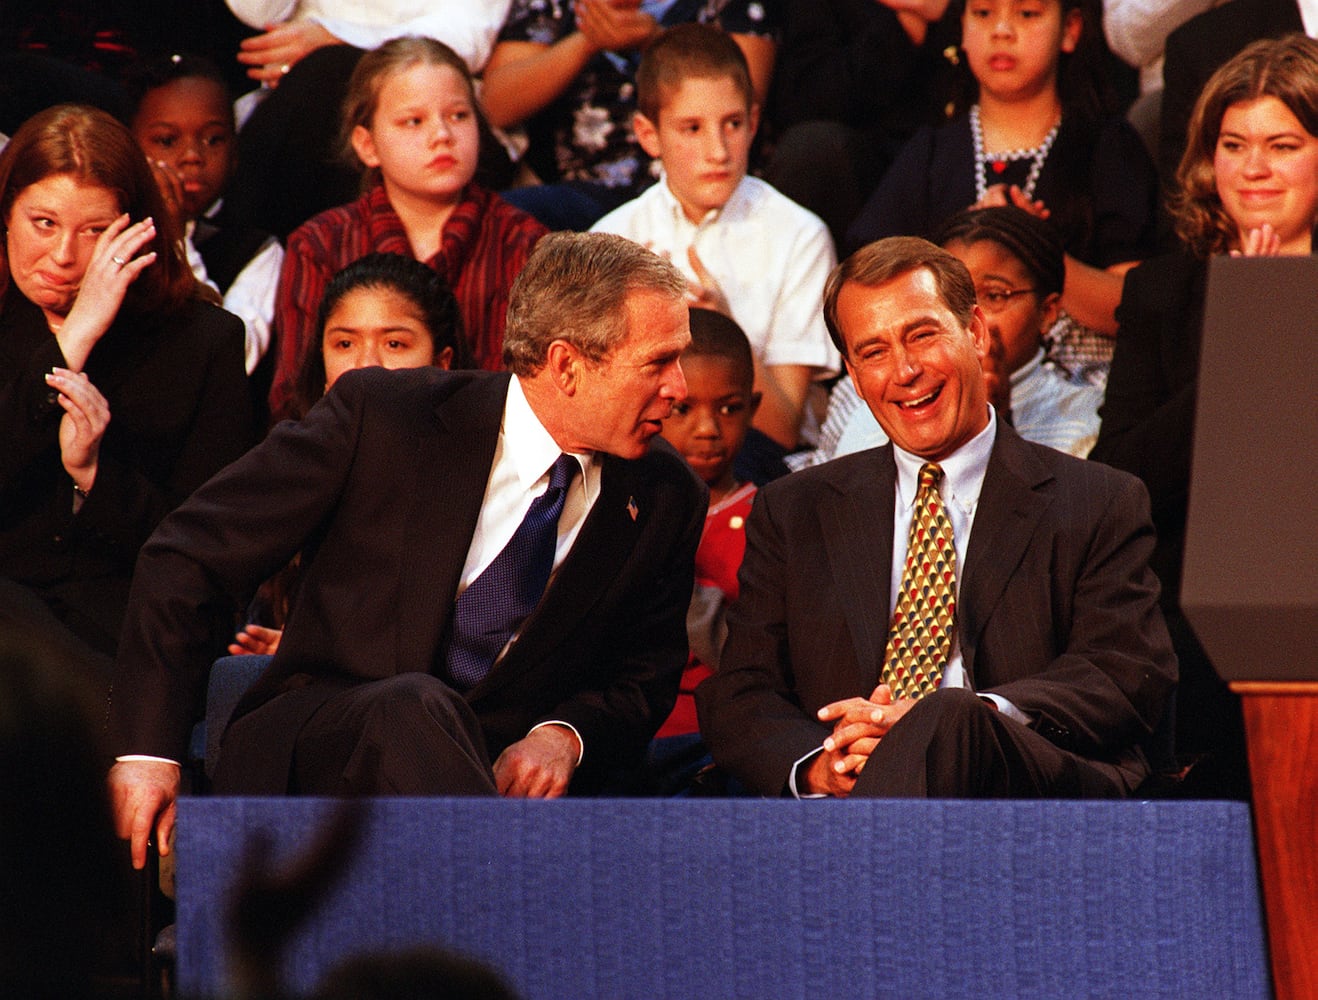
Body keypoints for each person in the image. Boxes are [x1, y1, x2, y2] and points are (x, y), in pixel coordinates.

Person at [107, 231, 705, 870]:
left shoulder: (666, 495)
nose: (680, 387)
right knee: (411, 706)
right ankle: (514, 917)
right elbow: (190, 553)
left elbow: (643, 675)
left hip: (491, 787)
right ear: (566, 365)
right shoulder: (386, 416)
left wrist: (567, 735)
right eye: (658, 362)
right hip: (323, 755)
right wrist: (149, 753)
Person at [696, 236, 1176, 799]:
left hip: (1023, 795)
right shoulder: (794, 510)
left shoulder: (1098, 500)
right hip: (843, 801)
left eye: (921, 335)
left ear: (974, 333)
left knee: (947, 718)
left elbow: (1122, 671)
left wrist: (965, 719)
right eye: (873, 352)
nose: (904, 370)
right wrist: (820, 766)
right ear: (852, 372)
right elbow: (742, 689)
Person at [1092, 34, 1318, 798]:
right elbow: (1122, 479)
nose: (1253, 168)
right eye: (1233, 144)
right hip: (1196, 614)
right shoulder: (1162, 292)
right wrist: (1245, 348)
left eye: (1282, 144)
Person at [0, 104, 253, 708]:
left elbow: (212, 550)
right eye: (42, 223)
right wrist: (71, 340)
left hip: (130, 626)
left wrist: (94, 477)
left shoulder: (203, 342)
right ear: (6, 217)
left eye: (94, 232)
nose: (64, 256)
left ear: (137, 231)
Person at [847, 0, 1158, 386]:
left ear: (1070, 29)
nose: (1002, 31)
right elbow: (871, 287)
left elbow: (1139, 306)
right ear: (962, 27)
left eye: (1027, 14)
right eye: (983, 13)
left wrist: (1034, 250)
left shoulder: (1106, 146)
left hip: (1078, 384)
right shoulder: (930, 153)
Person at [268, 35, 547, 422]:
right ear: (367, 145)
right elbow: (294, 397)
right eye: (413, 121)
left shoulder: (526, 243)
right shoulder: (321, 244)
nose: (442, 135)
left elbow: (534, 397)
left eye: (458, 116)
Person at [591, 24, 838, 459]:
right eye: (692, 128)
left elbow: (782, 430)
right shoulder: (611, 241)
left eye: (733, 124)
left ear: (755, 122)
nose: (718, 151)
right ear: (649, 135)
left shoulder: (800, 236)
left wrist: (722, 324)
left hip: (760, 470)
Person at [229, 251, 466, 655]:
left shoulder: (471, 479)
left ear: (442, 363)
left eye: (394, 343)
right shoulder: (286, 466)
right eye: (344, 343)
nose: (366, 365)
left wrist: (315, 648)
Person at [794, 205, 1104, 467]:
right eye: (951, 297)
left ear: (1047, 312)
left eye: (994, 296)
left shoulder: (1087, 415)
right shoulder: (861, 389)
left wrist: (990, 421)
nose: (967, 312)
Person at [221, 0, 514, 240]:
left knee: (331, 72)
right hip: (302, 100)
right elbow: (256, 10)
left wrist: (336, 40)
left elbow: (465, 39)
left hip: (437, 98)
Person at [483, 0, 779, 230]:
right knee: (500, 221)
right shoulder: (556, 6)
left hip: (706, 185)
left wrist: (655, 41)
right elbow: (496, 105)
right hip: (585, 193)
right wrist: (590, 39)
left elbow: (741, 96)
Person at [643, 307, 758, 793]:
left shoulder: (767, 517)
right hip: (628, 730)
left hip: (717, 739)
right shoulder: (628, 507)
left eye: (728, 409)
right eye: (685, 409)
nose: (708, 429)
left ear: (754, 406)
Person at [127, 52, 284, 385]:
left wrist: (175, 238)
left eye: (213, 139)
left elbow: (236, 357)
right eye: (167, 141)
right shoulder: (101, 231)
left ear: (235, 151)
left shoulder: (256, 250)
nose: (193, 157)